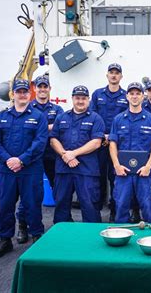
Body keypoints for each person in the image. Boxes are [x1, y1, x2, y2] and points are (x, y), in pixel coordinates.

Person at [0, 79, 48, 259]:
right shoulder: (2, 117)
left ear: (30, 94)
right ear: (13, 94)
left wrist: (21, 160)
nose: (22, 94)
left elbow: (40, 143)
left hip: (30, 170)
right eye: (19, 91)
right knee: (5, 205)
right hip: (6, 171)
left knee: (32, 205)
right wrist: (9, 160)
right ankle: (5, 240)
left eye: (25, 92)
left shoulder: (39, 117)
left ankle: (37, 238)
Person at [15, 74, 64, 244]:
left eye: (46, 87)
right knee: (29, 193)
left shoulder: (57, 110)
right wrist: (46, 127)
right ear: (34, 89)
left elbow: (59, 127)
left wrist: (39, 126)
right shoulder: (27, 108)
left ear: (50, 89)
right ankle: (23, 225)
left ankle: (60, 225)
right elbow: (25, 128)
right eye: (40, 87)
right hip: (32, 157)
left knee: (59, 190)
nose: (42, 90)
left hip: (52, 155)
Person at [50, 86, 105, 223]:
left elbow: (96, 142)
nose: (80, 101)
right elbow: (53, 139)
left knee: (89, 205)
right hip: (64, 169)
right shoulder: (61, 117)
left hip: (86, 170)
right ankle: (63, 235)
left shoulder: (95, 118)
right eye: (77, 98)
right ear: (72, 99)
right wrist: (66, 156)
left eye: (83, 98)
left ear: (88, 100)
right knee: (61, 203)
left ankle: (92, 238)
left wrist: (73, 154)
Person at [109, 82, 151, 223]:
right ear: (127, 96)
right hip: (123, 173)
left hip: (144, 173)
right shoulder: (118, 119)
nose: (134, 96)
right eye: (131, 93)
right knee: (121, 206)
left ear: (143, 96)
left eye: (138, 93)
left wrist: (148, 167)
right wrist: (117, 166)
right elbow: (112, 144)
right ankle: (121, 237)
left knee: (149, 206)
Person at [90, 63, 128, 221]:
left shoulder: (126, 95)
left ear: (121, 76)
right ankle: (96, 212)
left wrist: (111, 137)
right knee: (97, 178)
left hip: (117, 145)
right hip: (99, 144)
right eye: (111, 72)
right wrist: (102, 136)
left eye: (116, 73)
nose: (114, 75)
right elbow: (92, 116)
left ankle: (114, 211)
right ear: (107, 75)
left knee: (116, 179)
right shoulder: (97, 94)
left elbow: (126, 120)